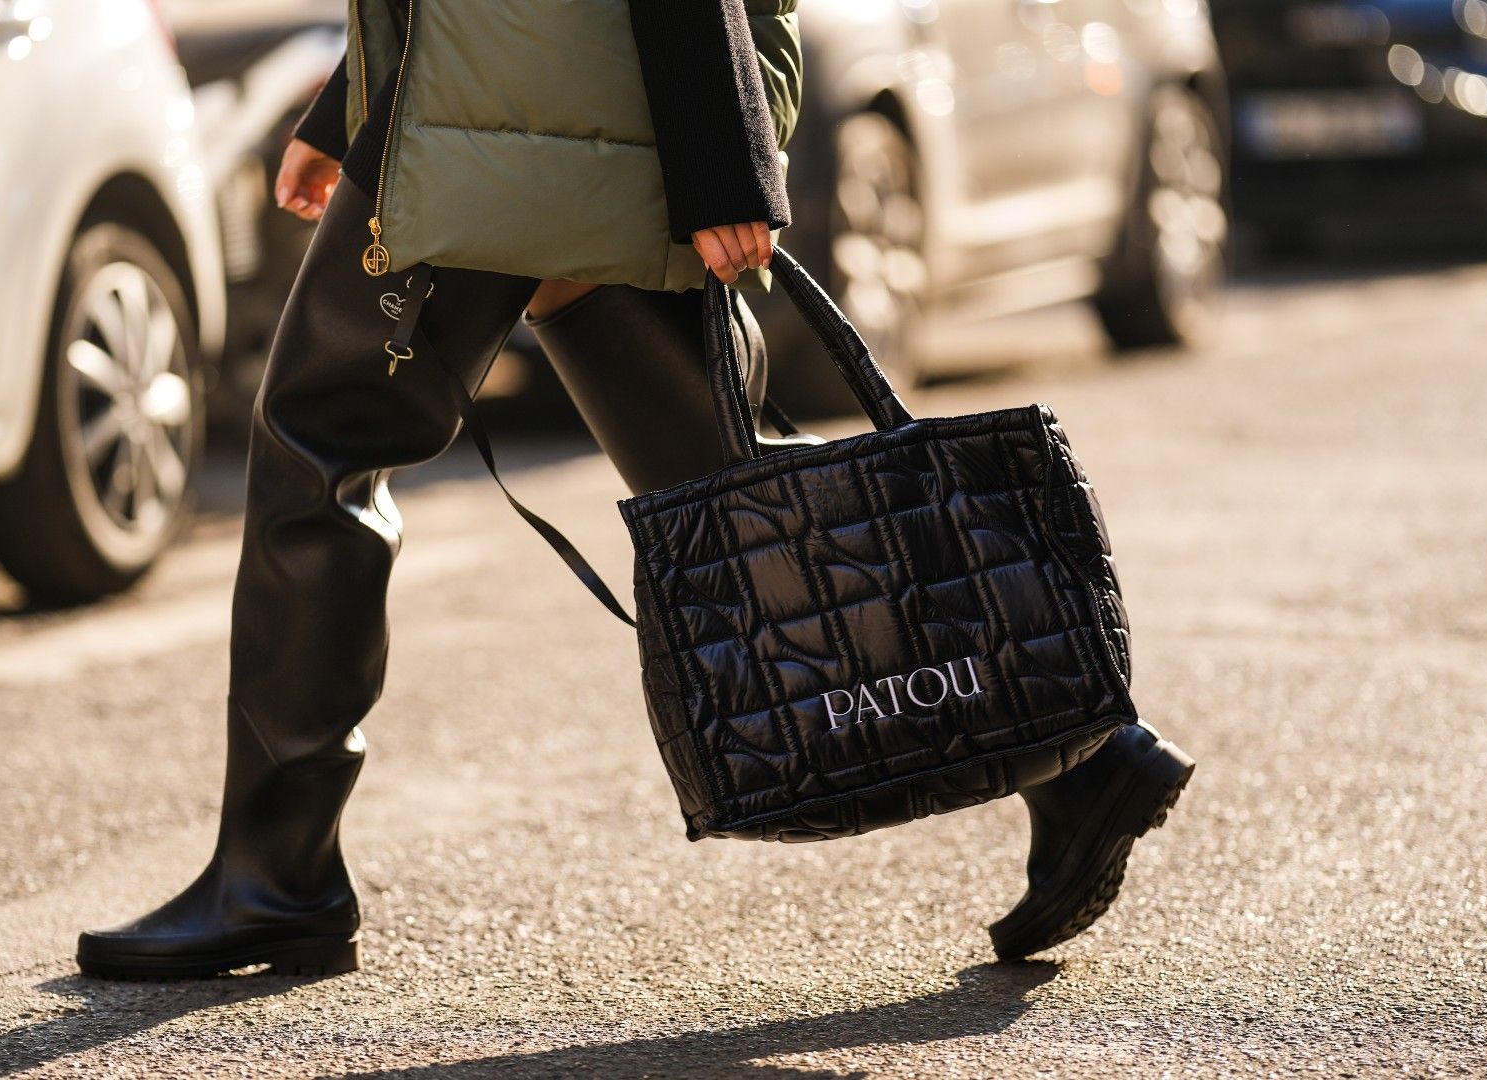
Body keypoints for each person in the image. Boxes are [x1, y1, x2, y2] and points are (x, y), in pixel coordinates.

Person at [76, 0, 1192, 981]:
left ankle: (277, 877)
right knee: (723, 489)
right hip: (536, 86)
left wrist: (718, 160)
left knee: (317, 445)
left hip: (546, 95)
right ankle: (1078, 748)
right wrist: (349, 109)